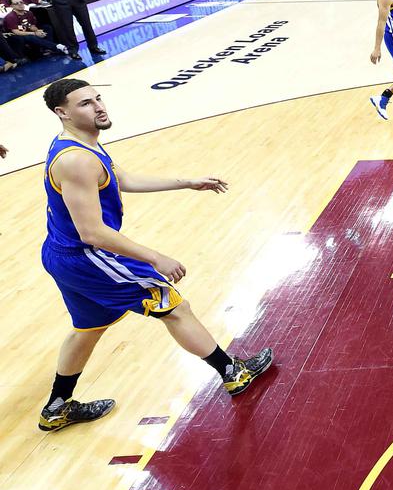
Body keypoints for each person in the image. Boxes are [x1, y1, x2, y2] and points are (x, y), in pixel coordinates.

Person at [36, 79, 274, 432]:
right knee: (174, 306)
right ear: (63, 112)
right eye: (86, 103)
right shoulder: (76, 161)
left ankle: (56, 407)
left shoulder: (79, 143)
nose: (99, 106)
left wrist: (187, 182)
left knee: (88, 328)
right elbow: (94, 232)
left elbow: (123, 179)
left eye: (99, 99)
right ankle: (232, 372)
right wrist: (154, 257)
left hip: (64, 255)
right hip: (90, 256)